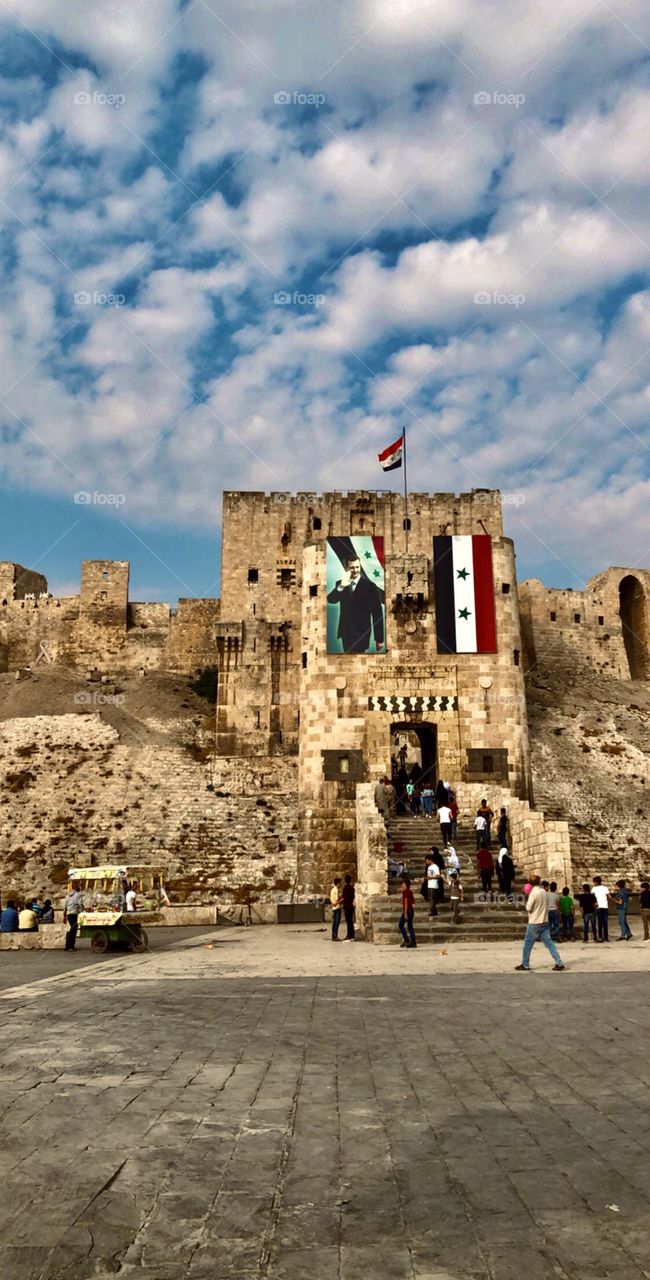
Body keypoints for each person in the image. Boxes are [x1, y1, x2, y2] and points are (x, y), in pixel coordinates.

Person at [327, 554, 384, 653]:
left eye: (357, 567)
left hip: (362, 633)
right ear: (346, 568)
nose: (356, 570)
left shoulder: (370, 586)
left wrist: (379, 639)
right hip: (345, 633)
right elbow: (331, 600)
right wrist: (341, 586)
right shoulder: (340, 583)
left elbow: (377, 613)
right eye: (352, 567)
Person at [516, 875, 566, 971]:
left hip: (534, 922)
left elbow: (528, 908)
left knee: (528, 943)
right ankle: (559, 962)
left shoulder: (533, 894)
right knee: (549, 943)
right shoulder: (543, 891)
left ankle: (525, 964)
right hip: (544, 921)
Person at [63, 881, 84, 952]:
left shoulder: (67, 896)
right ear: (76, 886)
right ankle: (70, 946)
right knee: (73, 931)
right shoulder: (78, 894)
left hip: (69, 914)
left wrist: (64, 916)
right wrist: (82, 912)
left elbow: (65, 907)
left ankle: (68, 945)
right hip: (75, 914)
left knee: (71, 930)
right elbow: (80, 904)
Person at [398, 875, 416, 948]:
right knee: (410, 927)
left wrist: (405, 913)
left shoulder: (405, 892)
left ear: (406, 885)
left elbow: (406, 903)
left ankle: (406, 940)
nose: (402, 885)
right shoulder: (410, 892)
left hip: (407, 911)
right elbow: (413, 901)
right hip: (411, 910)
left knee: (400, 925)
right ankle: (413, 943)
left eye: (403, 884)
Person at [592, 876, 611, 942]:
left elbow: (592, 897)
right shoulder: (605, 888)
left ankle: (600, 936)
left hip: (598, 907)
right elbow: (609, 897)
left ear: (596, 882)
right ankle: (606, 937)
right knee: (605, 922)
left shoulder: (594, 889)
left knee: (600, 922)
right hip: (605, 906)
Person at [342, 874, 355, 940]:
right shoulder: (352, 888)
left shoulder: (345, 888)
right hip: (351, 905)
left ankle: (349, 935)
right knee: (351, 921)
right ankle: (352, 935)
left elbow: (344, 897)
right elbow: (353, 896)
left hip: (347, 906)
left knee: (348, 921)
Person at [330, 877, 342, 941]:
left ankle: (334, 936)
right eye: (340, 883)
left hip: (335, 908)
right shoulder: (336, 890)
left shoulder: (333, 890)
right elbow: (336, 901)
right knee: (336, 922)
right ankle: (335, 936)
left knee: (335, 922)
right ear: (338, 883)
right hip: (336, 907)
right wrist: (342, 899)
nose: (341, 884)